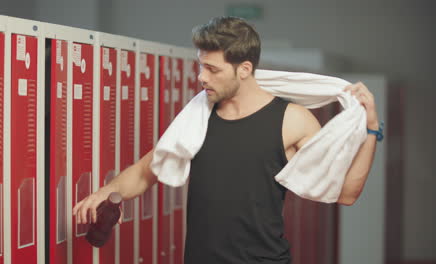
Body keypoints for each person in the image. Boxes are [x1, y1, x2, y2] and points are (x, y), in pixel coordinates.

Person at [73, 16, 380, 263]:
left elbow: (345, 193)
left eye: (212, 69)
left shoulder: (291, 120)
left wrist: (370, 130)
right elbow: (144, 172)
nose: (201, 77)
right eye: (200, 66)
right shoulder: (196, 119)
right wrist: (108, 190)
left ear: (244, 69)